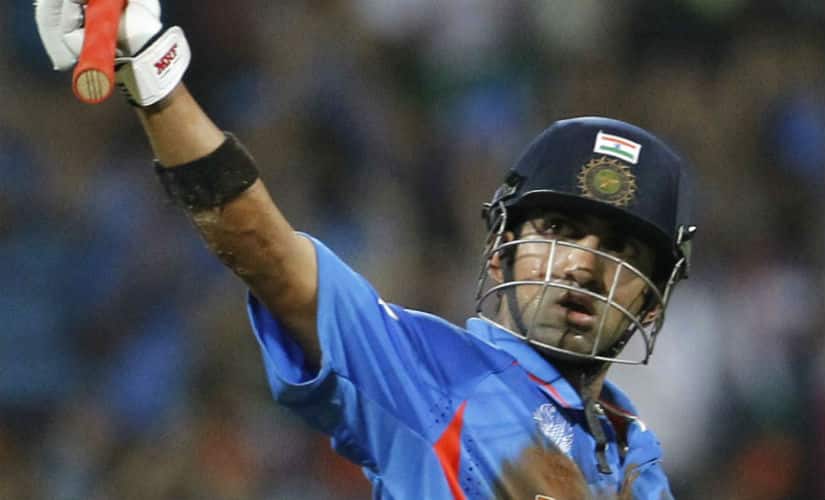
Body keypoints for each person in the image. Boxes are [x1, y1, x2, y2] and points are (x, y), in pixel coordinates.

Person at [35, 1, 696, 498]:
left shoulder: (637, 458)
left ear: (653, 300)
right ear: (500, 250)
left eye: (622, 250)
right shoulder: (434, 371)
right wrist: (151, 78)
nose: (584, 264)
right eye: (557, 230)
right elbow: (262, 247)